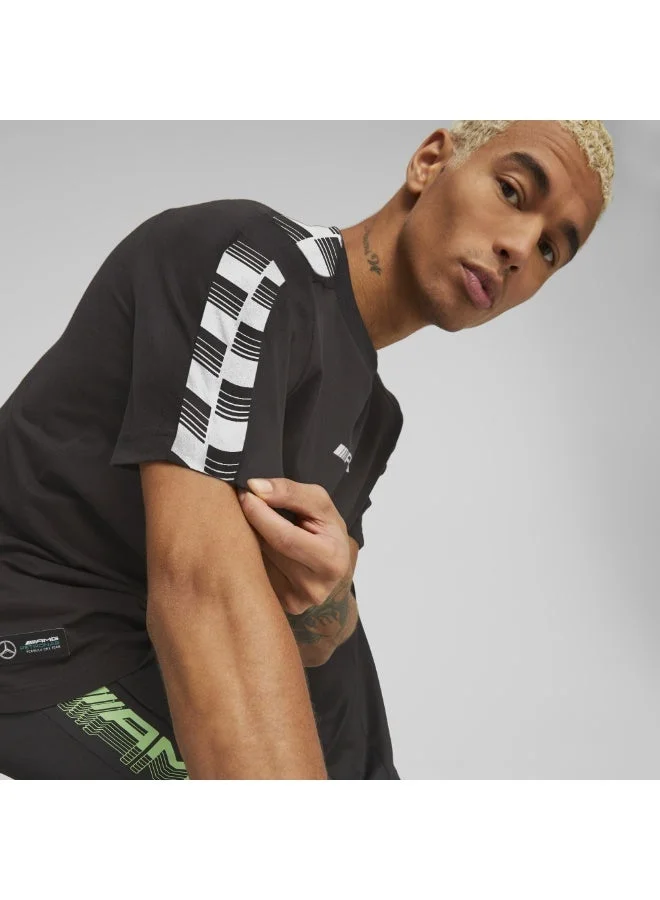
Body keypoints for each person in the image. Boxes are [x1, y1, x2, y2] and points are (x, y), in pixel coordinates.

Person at [0, 119, 614, 779]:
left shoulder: (375, 418)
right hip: (36, 636)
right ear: (431, 162)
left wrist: (331, 599)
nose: (519, 249)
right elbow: (203, 591)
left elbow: (308, 635)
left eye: (550, 249)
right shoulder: (249, 263)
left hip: (132, 657)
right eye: (513, 192)